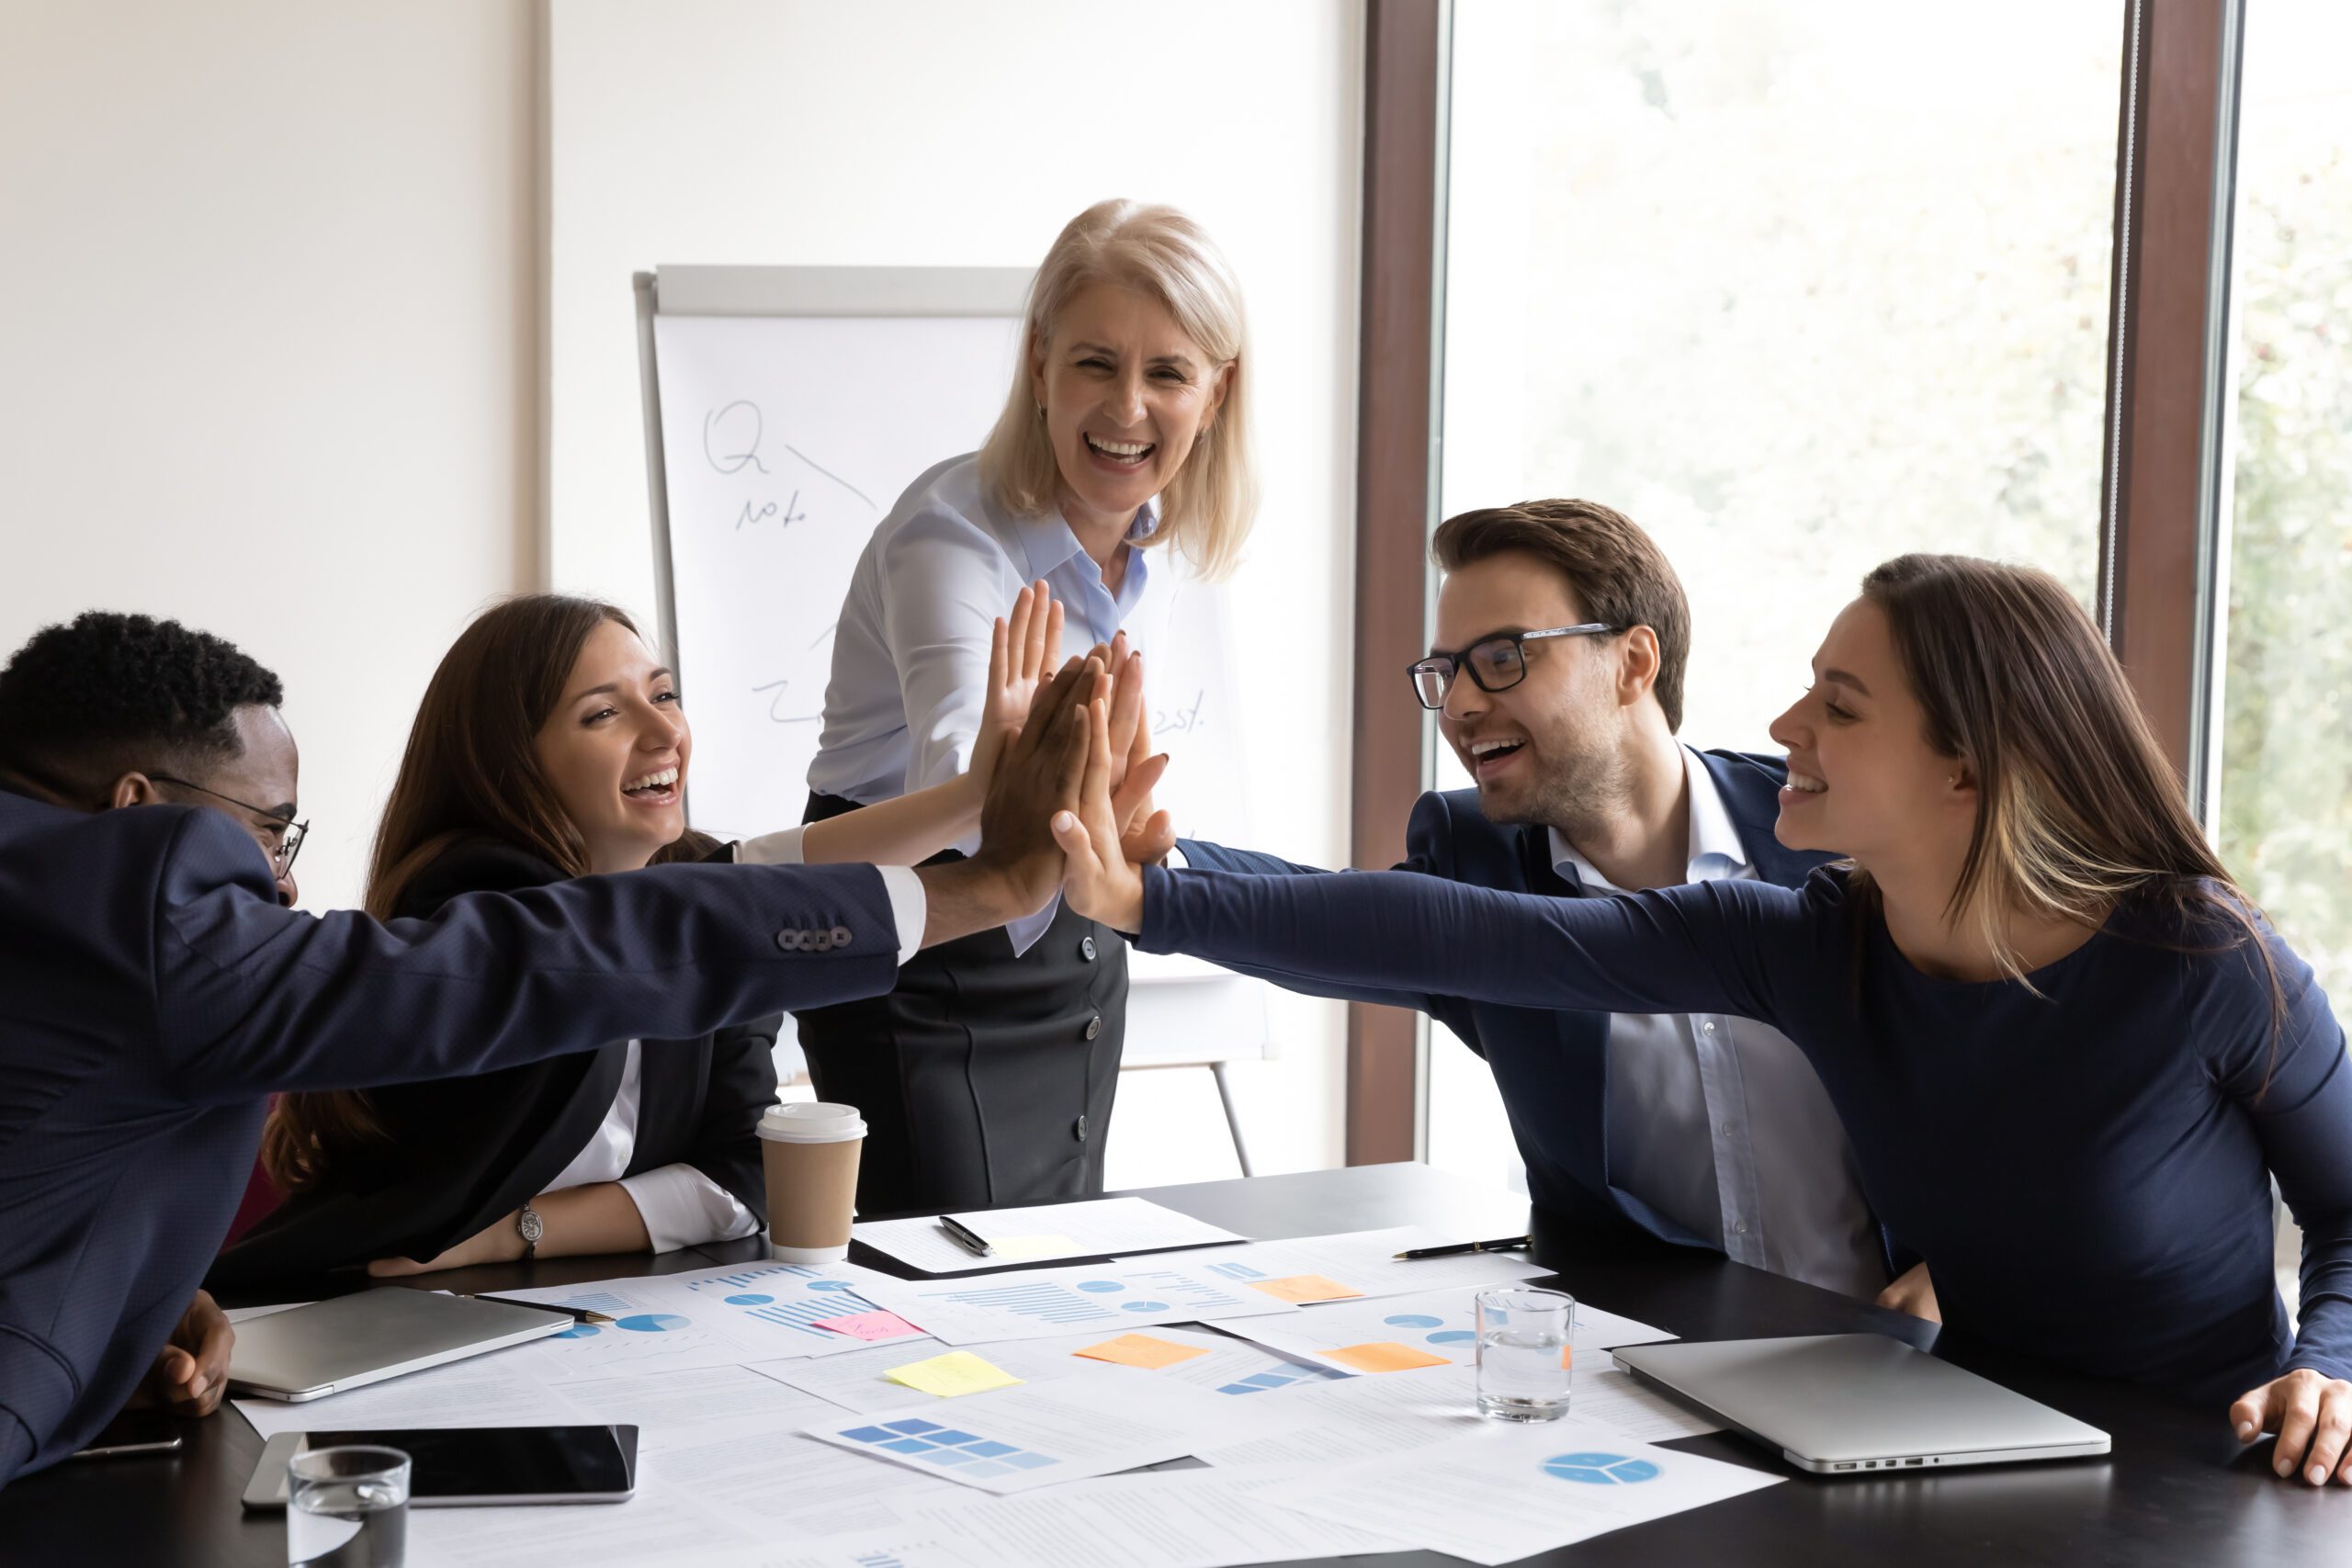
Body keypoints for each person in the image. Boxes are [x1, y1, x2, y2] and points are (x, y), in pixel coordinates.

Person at [1056, 554, 2352, 1487]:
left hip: (2222, 1473)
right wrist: (1148, 896)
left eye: (1841, 705)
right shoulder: (1808, 938)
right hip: (1970, 1449)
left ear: (1969, 764)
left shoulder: (2199, 958)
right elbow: (1463, 933)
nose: (1787, 725)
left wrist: (2333, 1364)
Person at [0, 607, 1097, 1485]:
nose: (282, 885)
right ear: (138, 812)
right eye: (265, 831)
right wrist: (985, 885)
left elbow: (719, 905)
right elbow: (564, 952)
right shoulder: (156, 903)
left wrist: (118, 1306)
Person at [213, 585, 1080, 1283]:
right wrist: (984, 877)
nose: (666, 731)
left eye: (663, 695)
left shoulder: (684, 899)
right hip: (352, 1304)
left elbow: (744, 1173)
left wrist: (973, 796)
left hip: (555, 1305)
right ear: (511, 761)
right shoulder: (466, 897)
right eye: (604, 714)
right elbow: (682, 924)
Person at [1170, 500, 1909, 1301]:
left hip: (1903, 1349)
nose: (1458, 705)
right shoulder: (1475, 862)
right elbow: (1322, 910)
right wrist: (1148, 864)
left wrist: (1952, 1272)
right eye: (1445, 671)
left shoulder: (1827, 828)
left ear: (1633, 662)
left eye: (1501, 658)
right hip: (1648, 1360)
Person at [796, 197, 1258, 1211]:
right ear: (1040, 362)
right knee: (938, 1309)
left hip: (1074, 956)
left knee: (1054, 1294)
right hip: (920, 953)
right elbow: (960, 778)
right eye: (1095, 362)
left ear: (1215, 394)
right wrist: (1052, 782)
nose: (1127, 409)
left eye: (1167, 372)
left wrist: (1126, 824)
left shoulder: (1152, 546)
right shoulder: (951, 538)